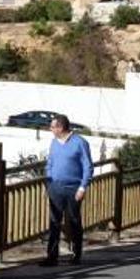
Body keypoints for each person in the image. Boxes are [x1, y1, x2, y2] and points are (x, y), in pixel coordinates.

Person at [41, 114, 93, 267]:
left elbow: (88, 166)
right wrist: (48, 182)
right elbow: (50, 163)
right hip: (55, 187)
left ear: (60, 127)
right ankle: (52, 257)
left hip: (73, 188)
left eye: (52, 127)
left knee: (74, 221)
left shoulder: (80, 143)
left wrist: (83, 187)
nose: (50, 129)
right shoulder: (54, 143)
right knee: (54, 222)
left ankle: (76, 254)